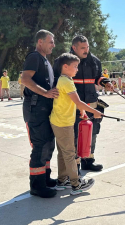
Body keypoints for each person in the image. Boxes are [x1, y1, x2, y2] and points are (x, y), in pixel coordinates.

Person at [53, 35, 112, 174]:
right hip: (73, 105)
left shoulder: (94, 61)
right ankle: (75, 167)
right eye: (83, 48)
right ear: (74, 48)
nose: (86, 51)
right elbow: (56, 79)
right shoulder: (64, 61)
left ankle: (88, 161)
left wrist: (106, 82)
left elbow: (98, 77)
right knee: (75, 135)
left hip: (92, 103)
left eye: (87, 47)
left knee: (92, 132)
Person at [50, 53, 100, 195]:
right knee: (70, 154)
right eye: (75, 67)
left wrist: (83, 113)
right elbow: (78, 101)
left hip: (58, 121)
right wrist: (93, 112)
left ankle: (62, 180)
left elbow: (73, 101)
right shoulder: (67, 81)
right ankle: (76, 184)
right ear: (65, 67)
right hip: (63, 122)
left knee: (62, 152)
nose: (77, 69)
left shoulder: (64, 79)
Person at [21, 29, 59, 198]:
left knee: (49, 144)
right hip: (36, 109)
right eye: (50, 41)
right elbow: (25, 79)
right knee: (40, 146)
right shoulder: (34, 57)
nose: (53, 45)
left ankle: (45, 177)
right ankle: (36, 186)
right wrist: (45, 93)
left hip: (45, 109)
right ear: (40, 42)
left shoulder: (45, 61)